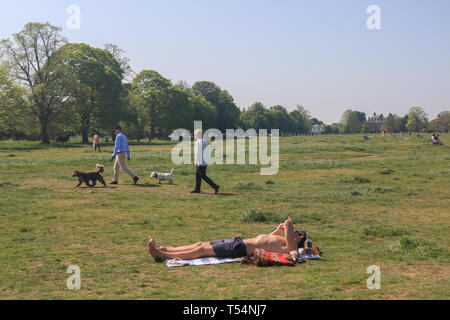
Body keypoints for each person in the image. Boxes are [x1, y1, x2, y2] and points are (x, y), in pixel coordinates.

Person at [147, 217, 304, 260]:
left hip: (239, 248)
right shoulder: (283, 242)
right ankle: (164, 249)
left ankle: (161, 255)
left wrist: (288, 224)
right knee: (199, 244)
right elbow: (266, 240)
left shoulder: (290, 248)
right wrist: (277, 231)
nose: (292, 233)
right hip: (238, 242)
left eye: (296, 233)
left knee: (201, 250)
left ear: (299, 237)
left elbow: (289, 225)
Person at [190, 129, 220, 194]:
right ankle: (197, 189)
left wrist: (196, 162)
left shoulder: (199, 142)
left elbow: (198, 153)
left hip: (201, 161)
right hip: (204, 161)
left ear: (196, 135)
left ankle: (215, 186)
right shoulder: (204, 141)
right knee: (198, 175)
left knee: (203, 176)